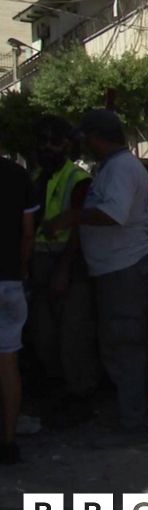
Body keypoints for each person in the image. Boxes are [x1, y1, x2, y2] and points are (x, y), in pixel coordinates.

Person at [44, 109, 148, 447]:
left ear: (98, 137)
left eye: (87, 138)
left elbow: (114, 214)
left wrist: (71, 217)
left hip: (126, 269)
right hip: (117, 269)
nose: (84, 145)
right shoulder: (114, 167)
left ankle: (134, 424)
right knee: (120, 346)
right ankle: (131, 415)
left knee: (126, 347)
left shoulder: (122, 168)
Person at [30, 116, 101, 414]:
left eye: (53, 141)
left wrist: (63, 269)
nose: (47, 147)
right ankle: (57, 388)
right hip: (39, 262)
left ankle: (82, 395)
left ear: (67, 145)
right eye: (43, 140)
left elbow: (79, 228)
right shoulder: (38, 177)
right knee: (43, 332)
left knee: (73, 333)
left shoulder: (78, 179)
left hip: (68, 264)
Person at [0, 153, 39, 464]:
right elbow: (28, 232)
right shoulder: (17, 175)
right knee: (8, 362)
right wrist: (22, 269)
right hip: (10, 281)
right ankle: (9, 441)